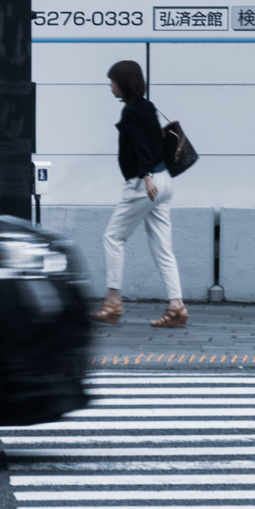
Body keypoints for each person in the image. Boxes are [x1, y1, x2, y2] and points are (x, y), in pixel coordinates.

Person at [91, 59, 188, 328]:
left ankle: (112, 303)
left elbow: (142, 146)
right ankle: (176, 307)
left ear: (123, 82)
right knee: (163, 248)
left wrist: (145, 176)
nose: (110, 85)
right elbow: (156, 141)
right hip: (164, 180)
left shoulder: (132, 111)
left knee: (112, 237)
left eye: (113, 80)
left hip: (145, 184)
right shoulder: (147, 106)